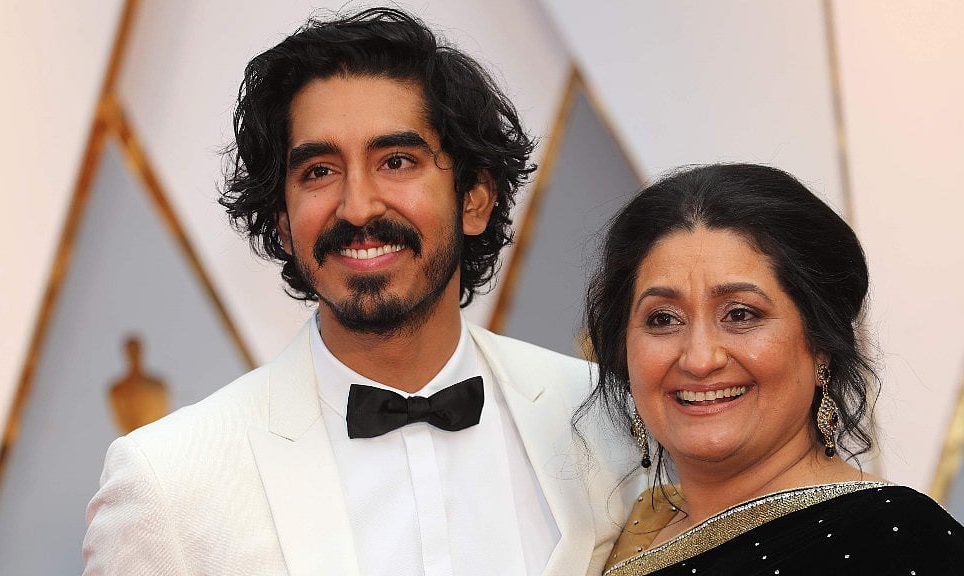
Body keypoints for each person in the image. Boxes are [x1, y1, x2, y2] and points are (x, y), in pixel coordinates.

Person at [82, 7, 633, 576]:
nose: (358, 206)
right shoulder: (167, 484)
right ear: (282, 221)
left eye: (396, 161)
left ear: (474, 199)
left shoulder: (607, 418)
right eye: (319, 171)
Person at [582, 163, 964, 575]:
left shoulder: (898, 539)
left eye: (741, 314)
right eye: (663, 319)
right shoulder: (619, 532)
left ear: (821, 341)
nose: (699, 358)